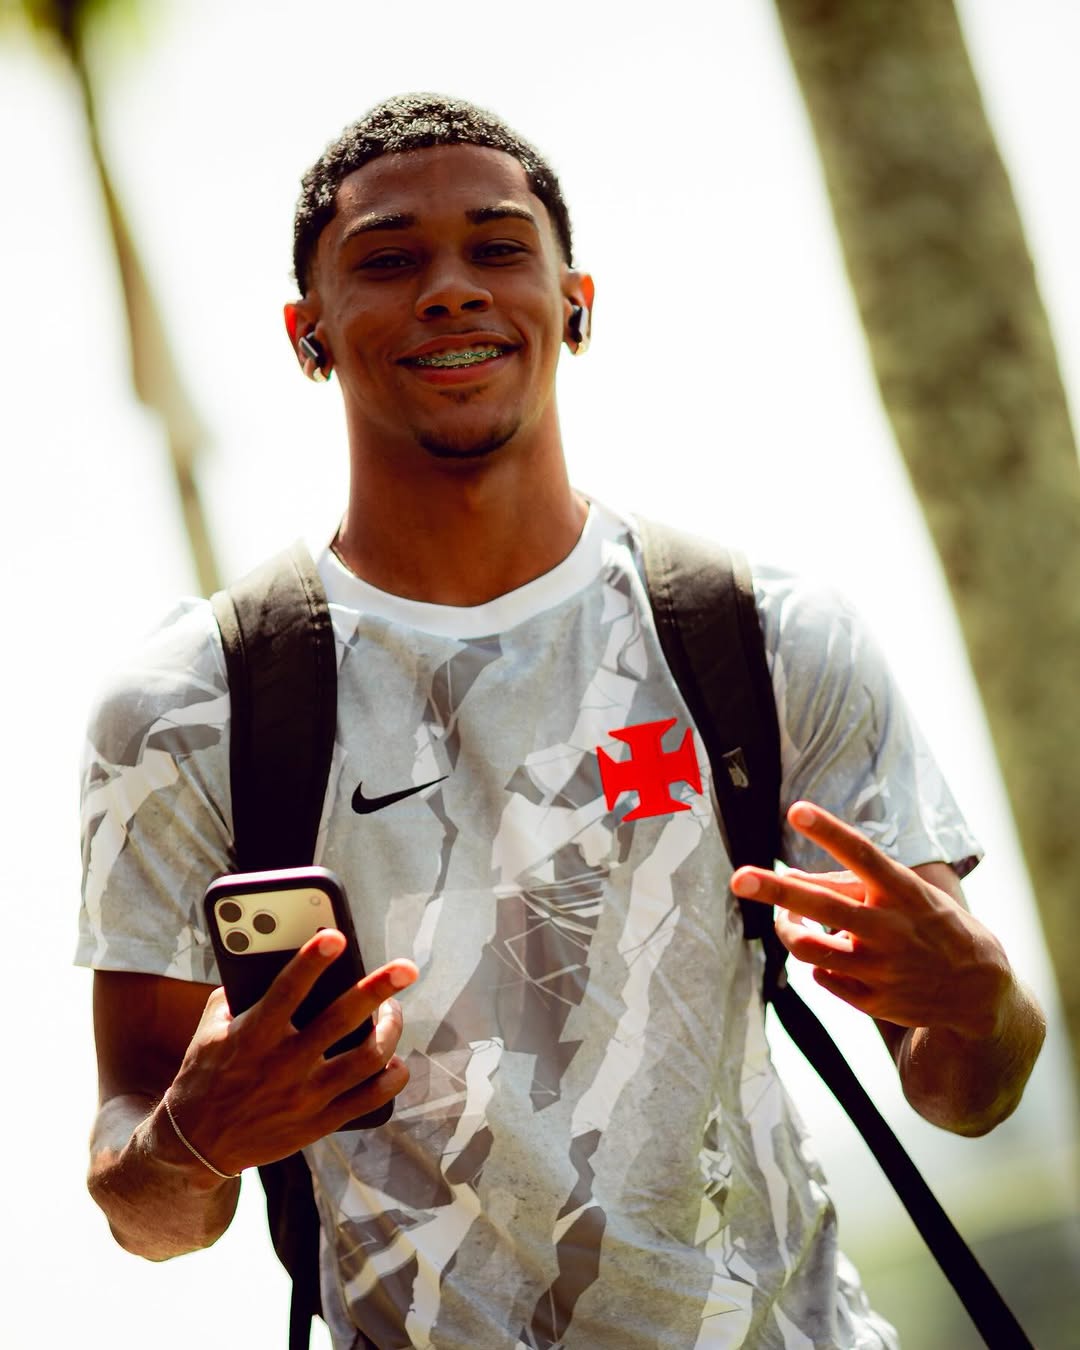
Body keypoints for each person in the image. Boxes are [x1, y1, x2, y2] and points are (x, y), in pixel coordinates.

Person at [79, 93, 1045, 1349]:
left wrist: (986, 1007)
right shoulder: (188, 705)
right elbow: (148, 1208)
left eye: (497, 248)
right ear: (306, 332)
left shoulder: (766, 637)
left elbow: (966, 1092)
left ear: (575, 303)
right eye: (388, 261)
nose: (450, 290)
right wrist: (194, 1138)